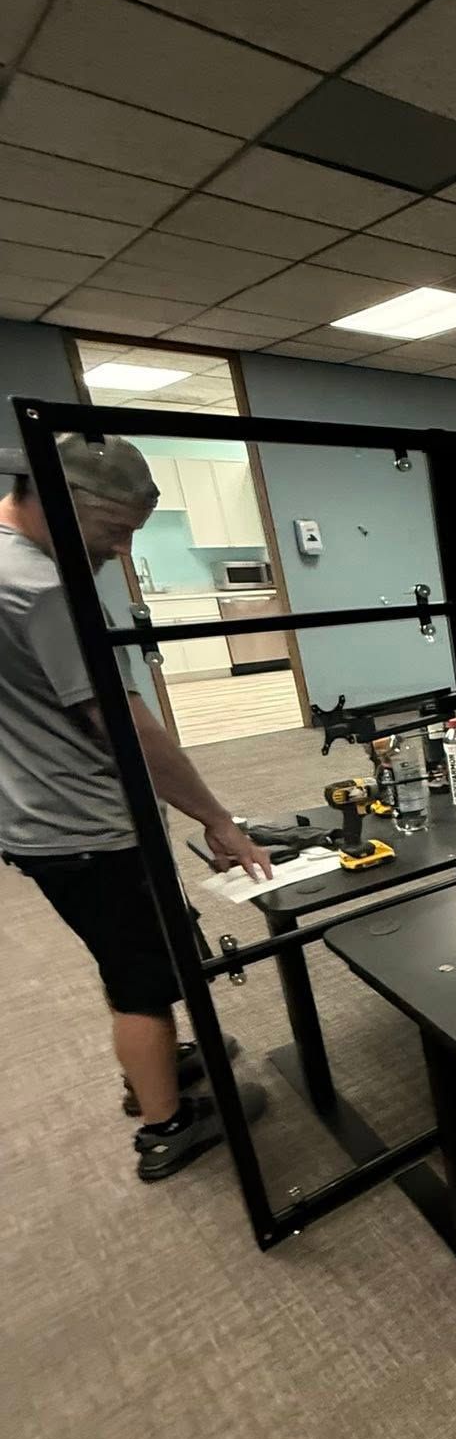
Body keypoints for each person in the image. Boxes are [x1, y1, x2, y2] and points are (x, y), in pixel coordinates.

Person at [0, 432, 272, 1180]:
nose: (120, 551)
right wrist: (216, 818)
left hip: (33, 815)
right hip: (85, 822)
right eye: (113, 531)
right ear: (53, 499)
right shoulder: (45, 589)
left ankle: (159, 1066)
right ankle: (166, 1125)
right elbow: (131, 732)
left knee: (127, 949)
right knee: (140, 978)